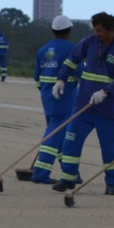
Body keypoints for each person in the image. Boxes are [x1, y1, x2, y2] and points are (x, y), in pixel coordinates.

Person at [51, 12, 114, 195]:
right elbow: (72, 61)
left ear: (111, 29)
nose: (97, 34)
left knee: (111, 148)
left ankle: (112, 183)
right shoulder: (89, 42)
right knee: (71, 142)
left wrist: (106, 91)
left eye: (100, 31)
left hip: (109, 110)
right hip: (84, 106)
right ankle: (68, 178)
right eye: (95, 30)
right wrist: (61, 79)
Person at [28, 15, 79, 183]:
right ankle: (41, 173)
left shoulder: (43, 49)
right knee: (56, 132)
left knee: (60, 134)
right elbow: (81, 73)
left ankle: (70, 173)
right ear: (69, 30)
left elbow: (37, 77)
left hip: (46, 95)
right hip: (65, 96)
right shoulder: (72, 49)